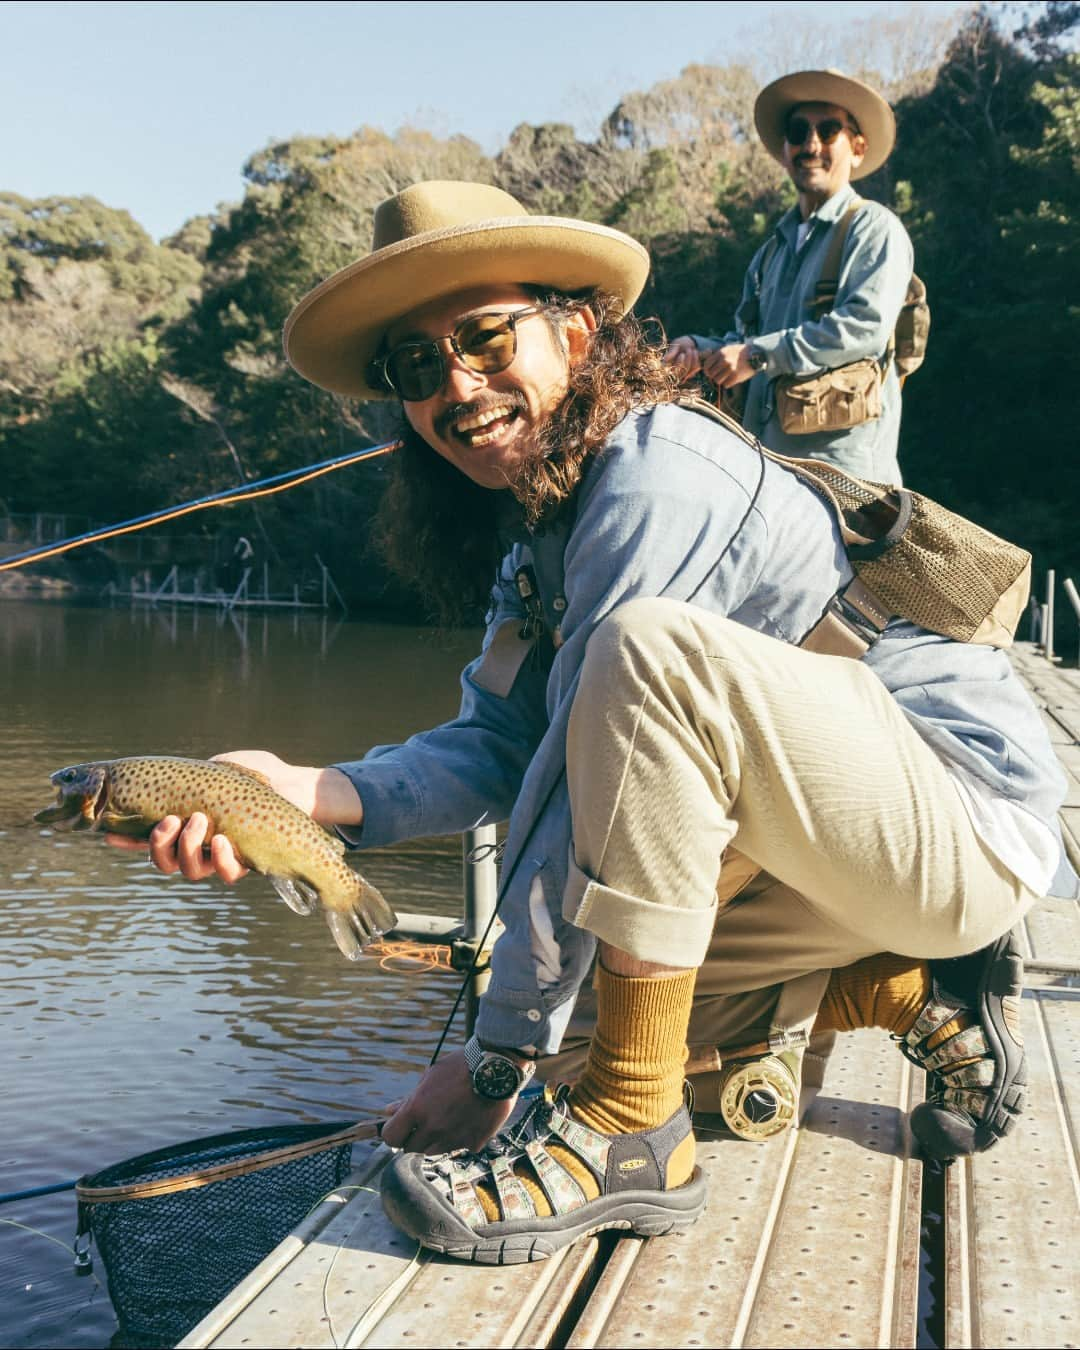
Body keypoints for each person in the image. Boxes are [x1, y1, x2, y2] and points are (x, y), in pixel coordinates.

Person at [112, 181, 1068, 1266]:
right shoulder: (542, 532)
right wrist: (307, 792)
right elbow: (497, 742)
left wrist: (489, 1059)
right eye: (417, 369)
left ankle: (631, 1137)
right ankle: (902, 990)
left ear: (576, 330)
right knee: (569, 1042)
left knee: (641, 666)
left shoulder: (658, 474)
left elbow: (580, 772)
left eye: (483, 338)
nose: (458, 387)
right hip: (834, 858)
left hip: (962, 824)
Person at [666, 70, 915, 484]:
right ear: (784, 151)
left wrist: (756, 355)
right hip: (767, 477)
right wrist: (699, 349)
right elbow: (745, 343)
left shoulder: (874, 227)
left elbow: (864, 327)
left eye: (829, 130)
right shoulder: (770, 253)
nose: (811, 144)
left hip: (846, 482)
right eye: (798, 132)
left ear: (856, 148)